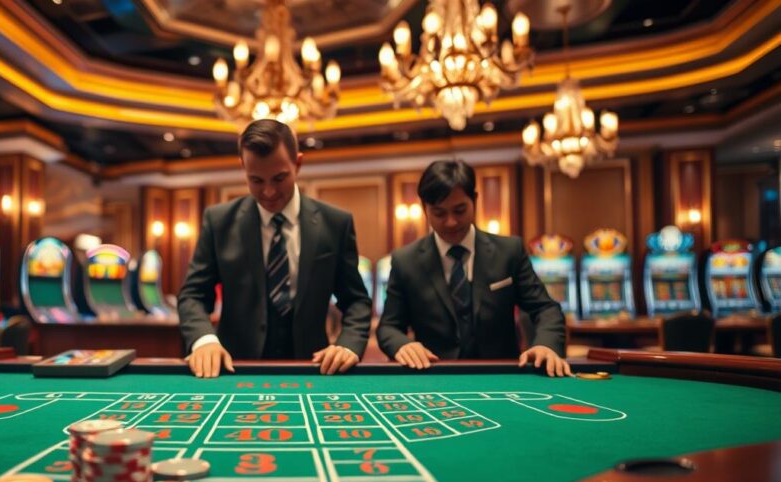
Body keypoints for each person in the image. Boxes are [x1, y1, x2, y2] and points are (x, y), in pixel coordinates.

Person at [177, 119, 372, 378]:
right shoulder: (219, 221)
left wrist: (347, 345)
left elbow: (356, 300)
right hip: (234, 369)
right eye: (256, 180)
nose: (269, 192)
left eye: (279, 178)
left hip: (313, 369)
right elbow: (193, 295)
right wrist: (204, 340)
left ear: (298, 164)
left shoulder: (336, 223)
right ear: (243, 167)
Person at [376, 160, 571, 377]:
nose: (451, 222)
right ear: (424, 208)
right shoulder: (405, 260)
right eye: (439, 213)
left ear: (475, 201)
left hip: (502, 376)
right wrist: (403, 345)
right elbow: (388, 327)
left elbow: (546, 309)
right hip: (434, 376)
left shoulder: (509, 251)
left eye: (459, 210)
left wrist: (546, 344)